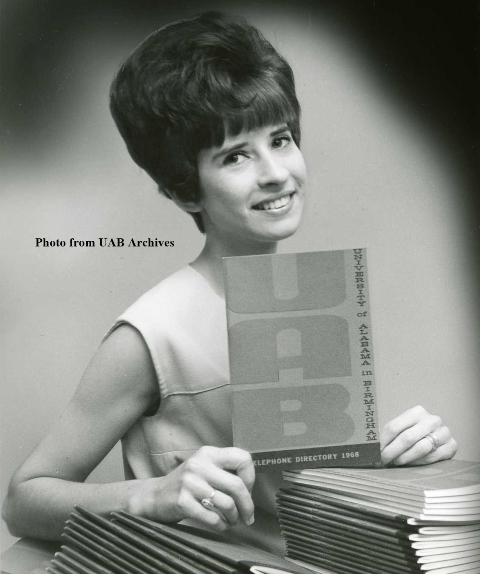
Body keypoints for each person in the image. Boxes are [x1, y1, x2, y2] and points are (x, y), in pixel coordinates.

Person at [2, 11, 457, 554]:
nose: (275, 172)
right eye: (236, 155)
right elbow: (23, 499)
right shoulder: (152, 333)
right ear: (185, 191)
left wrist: (397, 453)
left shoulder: (313, 302)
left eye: (282, 140)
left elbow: (299, 499)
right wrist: (152, 495)